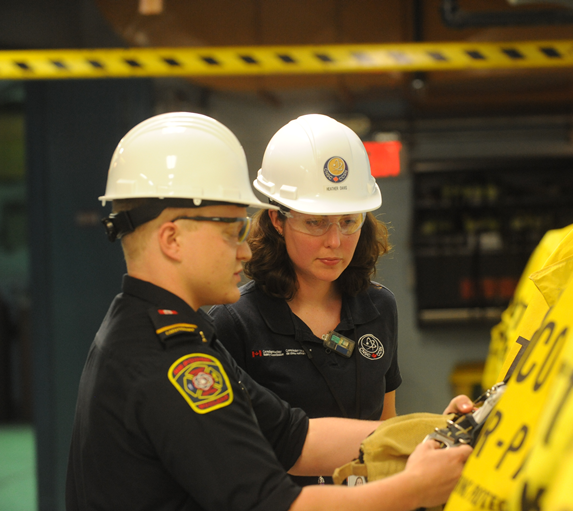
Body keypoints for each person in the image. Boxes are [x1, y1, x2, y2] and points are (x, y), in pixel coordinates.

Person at [66, 111, 472, 511]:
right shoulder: (168, 364)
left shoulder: (162, 333)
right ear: (172, 239)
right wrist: (415, 488)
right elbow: (275, 504)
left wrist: (436, 432)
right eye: (231, 232)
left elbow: (294, 438)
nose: (244, 250)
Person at [209, 115, 398, 456]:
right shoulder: (234, 323)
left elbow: (386, 426)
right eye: (315, 223)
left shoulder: (380, 308)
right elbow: (224, 453)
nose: (335, 241)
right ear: (277, 220)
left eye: (349, 221)